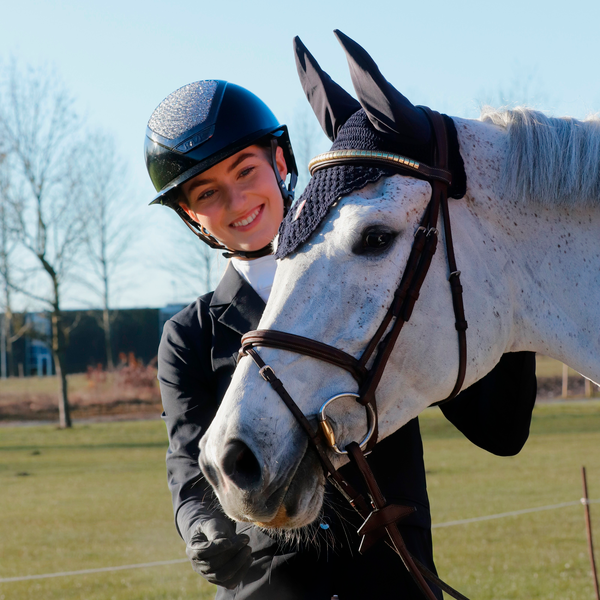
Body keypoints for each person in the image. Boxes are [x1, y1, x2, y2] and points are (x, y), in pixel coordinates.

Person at [145, 80, 537, 600]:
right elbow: (188, 460)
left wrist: (505, 289)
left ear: (280, 162)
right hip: (270, 586)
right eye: (207, 192)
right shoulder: (188, 336)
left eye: (245, 170)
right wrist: (199, 523)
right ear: (191, 215)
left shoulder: (382, 273)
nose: (237, 200)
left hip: (394, 581)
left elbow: (499, 430)